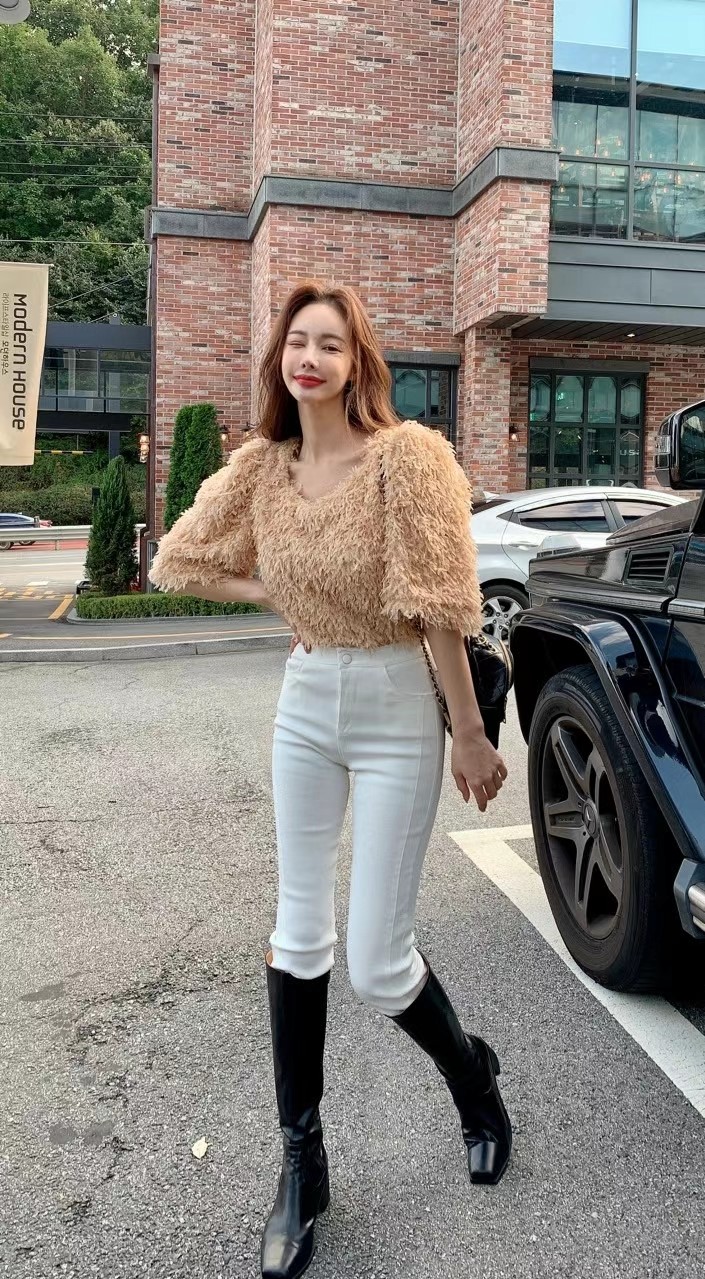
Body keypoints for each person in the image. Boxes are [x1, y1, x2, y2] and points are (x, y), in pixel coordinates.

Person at [149, 281, 512, 1279]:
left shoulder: (408, 458)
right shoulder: (262, 466)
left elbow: (440, 607)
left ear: (358, 365)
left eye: (331, 345)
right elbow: (177, 561)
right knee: (296, 932)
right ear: (280, 359)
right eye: (297, 342)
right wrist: (276, 590)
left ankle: (474, 1082)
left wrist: (468, 735)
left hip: (398, 704)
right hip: (307, 702)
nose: (309, 357)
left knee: (377, 966)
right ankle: (302, 1166)